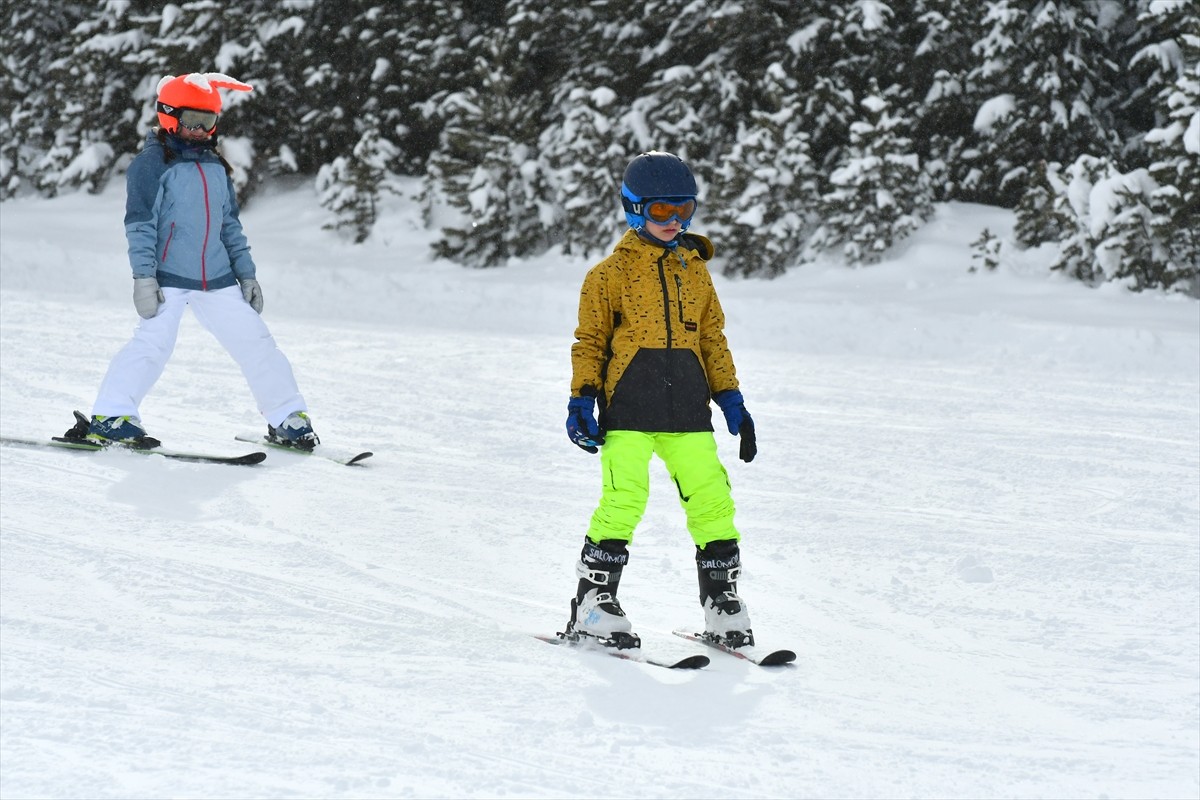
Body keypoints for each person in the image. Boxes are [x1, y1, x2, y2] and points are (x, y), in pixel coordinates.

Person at [563, 150, 758, 650]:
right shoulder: (608, 275)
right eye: (661, 212)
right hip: (628, 407)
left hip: (689, 410)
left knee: (713, 501)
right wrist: (582, 398)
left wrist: (730, 396)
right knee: (624, 499)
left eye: (684, 210)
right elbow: (590, 341)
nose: (675, 222)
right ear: (633, 209)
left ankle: (722, 601)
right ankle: (593, 602)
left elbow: (711, 338)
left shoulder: (696, 271)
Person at [81, 72, 318, 450]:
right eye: (192, 120)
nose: (199, 130)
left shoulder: (215, 166)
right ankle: (111, 416)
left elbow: (230, 227)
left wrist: (247, 275)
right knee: (152, 345)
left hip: (219, 279)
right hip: (168, 278)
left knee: (257, 343)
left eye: (207, 122)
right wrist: (144, 277)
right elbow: (140, 225)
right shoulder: (152, 164)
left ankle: (287, 417)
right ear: (169, 116)